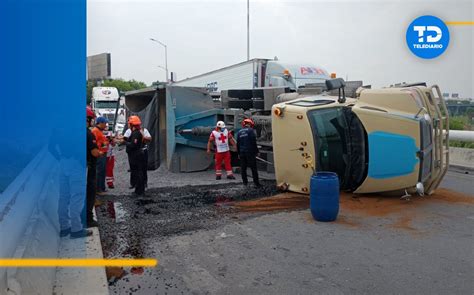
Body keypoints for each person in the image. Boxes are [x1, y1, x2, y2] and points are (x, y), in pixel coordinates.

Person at [84, 107, 102, 228]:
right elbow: (94, 152)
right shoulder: (88, 133)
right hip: (88, 168)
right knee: (89, 192)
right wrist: (100, 152)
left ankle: (66, 226)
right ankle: (88, 219)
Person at [123, 116, 152, 189]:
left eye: (129, 123)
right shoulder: (128, 131)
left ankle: (143, 183)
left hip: (141, 151)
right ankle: (134, 183)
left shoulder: (143, 130)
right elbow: (124, 139)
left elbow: (149, 138)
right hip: (132, 153)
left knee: (143, 168)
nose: (128, 124)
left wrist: (142, 138)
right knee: (133, 169)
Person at [237, 118, 261, 187]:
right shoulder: (251, 131)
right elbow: (253, 142)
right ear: (250, 124)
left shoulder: (239, 132)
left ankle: (245, 183)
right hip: (250, 152)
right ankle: (256, 183)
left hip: (242, 153)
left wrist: (238, 153)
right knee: (253, 168)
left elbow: (238, 144)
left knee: (243, 169)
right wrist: (257, 152)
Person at [125, 115, 146, 196]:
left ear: (132, 124)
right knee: (137, 172)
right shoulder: (136, 132)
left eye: (129, 123)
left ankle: (139, 191)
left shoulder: (136, 133)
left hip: (136, 156)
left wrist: (125, 143)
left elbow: (133, 144)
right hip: (136, 155)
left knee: (138, 172)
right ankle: (139, 190)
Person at [91, 117, 109, 195]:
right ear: (100, 123)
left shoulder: (99, 131)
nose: (106, 125)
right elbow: (94, 144)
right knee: (99, 171)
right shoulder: (95, 131)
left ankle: (102, 187)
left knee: (102, 171)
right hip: (99, 154)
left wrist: (107, 140)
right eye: (105, 123)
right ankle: (98, 189)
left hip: (103, 154)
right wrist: (103, 144)